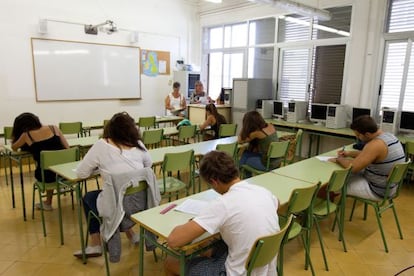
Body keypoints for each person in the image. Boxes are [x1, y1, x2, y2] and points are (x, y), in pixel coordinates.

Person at [164, 150, 279, 276]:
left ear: (214, 182)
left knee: (171, 262)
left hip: (239, 272)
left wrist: (195, 221)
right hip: (264, 265)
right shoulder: (262, 191)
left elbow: (173, 241)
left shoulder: (222, 204)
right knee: (208, 244)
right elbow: (277, 204)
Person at [73, 112, 153, 258]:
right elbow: (148, 166)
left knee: (88, 198)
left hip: (118, 207)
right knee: (122, 192)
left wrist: (99, 168)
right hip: (141, 203)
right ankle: (131, 234)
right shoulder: (139, 144)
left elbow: (81, 174)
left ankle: (95, 244)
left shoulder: (101, 145)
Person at [330, 115, 405, 200]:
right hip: (390, 187)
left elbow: (353, 167)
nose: (358, 138)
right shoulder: (389, 136)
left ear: (367, 134)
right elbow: (369, 155)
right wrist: (349, 153)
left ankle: (324, 209)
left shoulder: (375, 144)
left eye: (358, 135)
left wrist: (339, 159)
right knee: (344, 177)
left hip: (377, 190)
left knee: (334, 183)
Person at [11, 112, 69, 211]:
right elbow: (67, 148)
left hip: (46, 176)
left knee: (47, 168)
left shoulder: (26, 135)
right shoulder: (54, 128)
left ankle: (48, 202)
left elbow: (14, 147)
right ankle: (60, 187)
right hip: (65, 172)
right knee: (52, 166)